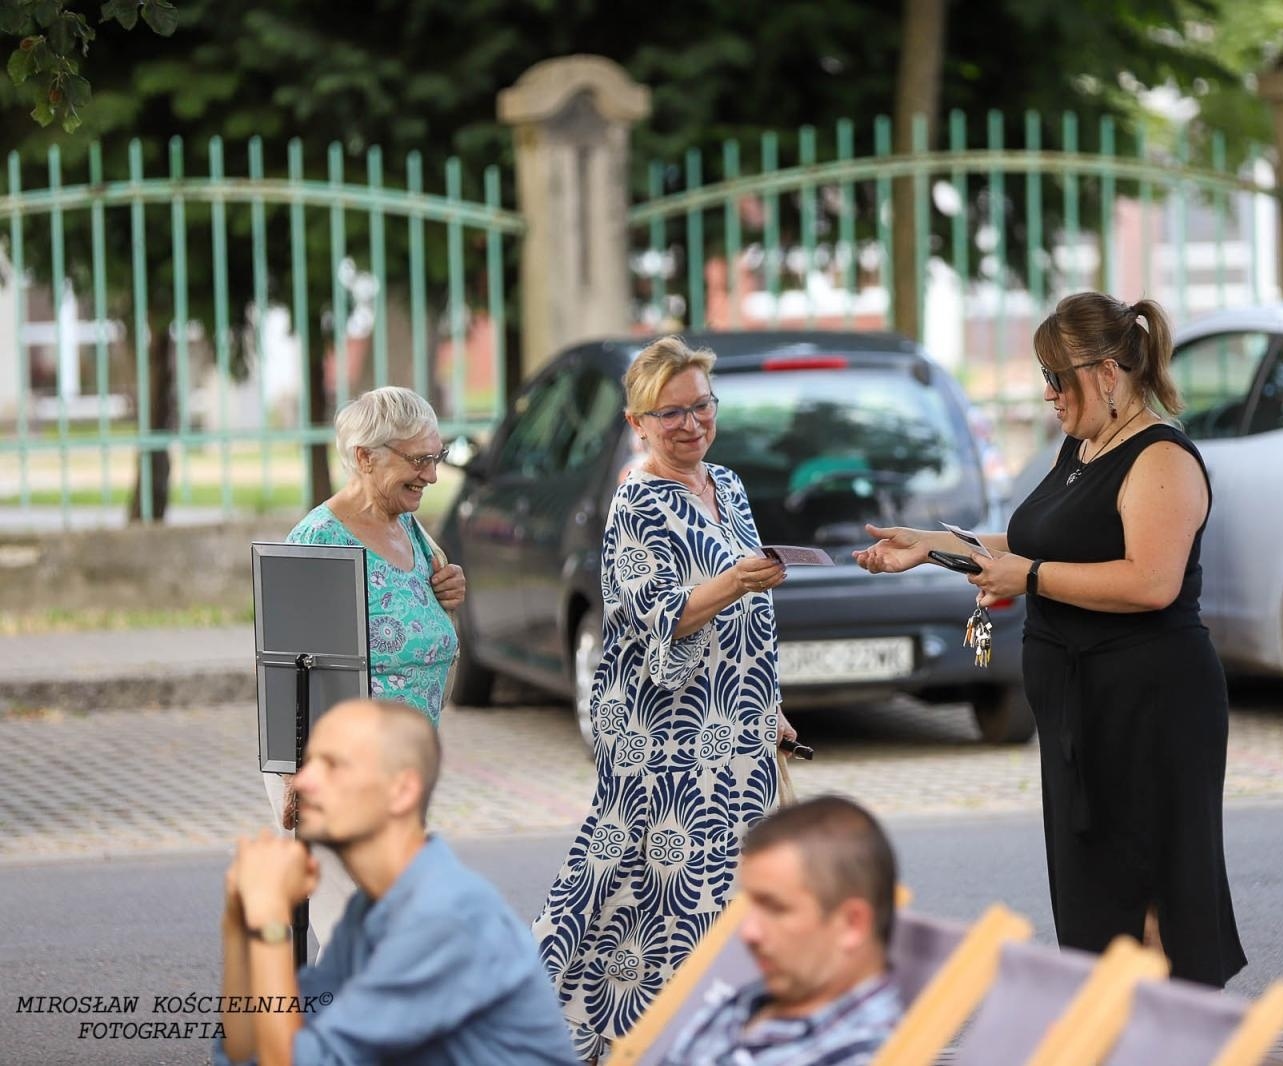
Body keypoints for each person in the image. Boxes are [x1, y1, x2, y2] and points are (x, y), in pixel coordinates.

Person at [854, 292, 1246, 987]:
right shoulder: (1085, 444)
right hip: (1082, 710)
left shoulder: (1162, 458)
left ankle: (1171, 1043)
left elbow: (1148, 581)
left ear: (1104, 373)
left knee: (1153, 901)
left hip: (1149, 710)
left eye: (1055, 378)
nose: (1046, 395)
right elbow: (1035, 543)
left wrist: (1027, 575)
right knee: (1097, 901)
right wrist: (932, 545)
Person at [533, 336, 800, 1060]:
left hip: (733, 731)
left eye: (701, 406)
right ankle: (564, 1023)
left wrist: (765, 702)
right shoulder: (636, 501)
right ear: (637, 422)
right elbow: (657, 616)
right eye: (671, 412)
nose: (690, 423)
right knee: (657, 892)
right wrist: (735, 582)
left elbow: (746, 621)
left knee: (704, 892)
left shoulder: (729, 485)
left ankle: (692, 1032)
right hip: (665, 737)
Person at [215, 698, 576, 1066]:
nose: (303, 778)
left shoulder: (444, 918)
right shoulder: (371, 910)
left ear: (402, 791)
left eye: (333, 764)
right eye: (310, 761)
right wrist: (240, 924)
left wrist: (269, 918)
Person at [266, 385, 467, 951]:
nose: (431, 474)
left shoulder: (409, 528)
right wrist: (296, 778)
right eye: (418, 459)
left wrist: (445, 595)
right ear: (365, 458)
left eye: (437, 455)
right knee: (365, 938)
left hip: (400, 775)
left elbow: (412, 621)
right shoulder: (319, 543)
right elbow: (288, 671)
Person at [663, 796, 903, 1066]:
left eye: (776, 909)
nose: (748, 932)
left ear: (851, 924)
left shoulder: (856, 1053)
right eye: (750, 906)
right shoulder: (758, 999)